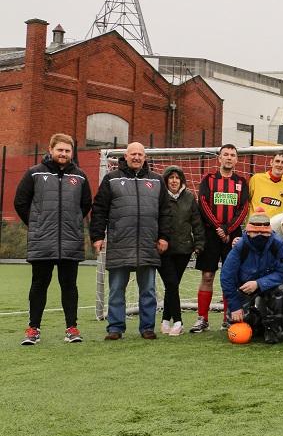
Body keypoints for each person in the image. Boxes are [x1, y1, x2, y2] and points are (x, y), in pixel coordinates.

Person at [15, 133, 92, 345]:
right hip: (42, 240)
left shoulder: (80, 176)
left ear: (72, 153)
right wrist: (37, 224)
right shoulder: (34, 173)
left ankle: (72, 328)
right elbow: (20, 202)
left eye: (68, 151)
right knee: (39, 285)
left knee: (69, 285)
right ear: (51, 150)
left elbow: (85, 205)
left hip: (70, 240)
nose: (64, 154)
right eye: (60, 150)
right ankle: (33, 329)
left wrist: (73, 222)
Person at [90, 142, 172, 340]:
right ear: (125, 157)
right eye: (133, 154)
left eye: (140, 154)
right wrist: (98, 236)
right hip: (120, 243)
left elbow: (166, 212)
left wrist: (164, 236)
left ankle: (147, 328)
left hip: (148, 244)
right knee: (117, 289)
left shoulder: (157, 180)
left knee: (148, 291)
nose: (137, 157)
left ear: (145, 158)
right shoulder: (111, 179)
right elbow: (99, 210)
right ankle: (115, 328)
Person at [192, 144, 250, 333]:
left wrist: (227, 229)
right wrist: (218, 228)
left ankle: (228, 318)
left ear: (236, 159)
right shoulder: (208, 180)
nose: (229, 158)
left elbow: (243, 209)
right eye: (226, 154)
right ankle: (203, 318)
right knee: (207, 276)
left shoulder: (242, 181)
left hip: (232, 235)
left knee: (231, 276)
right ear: (219, 158)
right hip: (211, 234)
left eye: (232, 155)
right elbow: (203, 204)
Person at [220, 207, 283, 344]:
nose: (259, 235)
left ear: (269, 231)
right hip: (245, 286)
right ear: (248, 231)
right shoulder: (240, 246)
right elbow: (226, 277)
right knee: (232, 317)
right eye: (255, 231)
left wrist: (258, 283)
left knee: (281, 290)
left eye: (263, 232)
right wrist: (235, 306)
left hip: (269, 285)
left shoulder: (278, 244)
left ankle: (272, 330)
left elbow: (281, 273)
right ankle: (257, 323)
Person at [159, 165, 205, 336]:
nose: (174, 180)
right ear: (165, 180)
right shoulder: (160, 197)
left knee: (173, 284)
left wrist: (199, 243)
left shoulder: (189, 197)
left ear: (182, 180)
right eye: (171, 177)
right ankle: (178, 322)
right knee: (171, 283)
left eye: (177, 177)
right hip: (164, 249)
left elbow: (196, 222)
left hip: (184, 249)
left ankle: (165, 320)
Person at [247, 151, 283, 219]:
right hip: (254, 226)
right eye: (277, 161)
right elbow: (245, 202)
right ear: (271, 162)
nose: (280, 165)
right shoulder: (256, 179)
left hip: (275, 228)